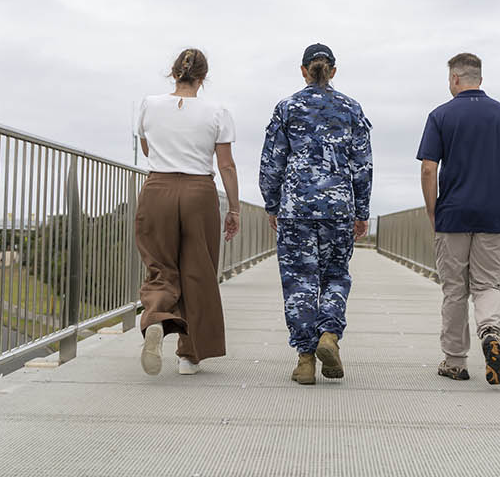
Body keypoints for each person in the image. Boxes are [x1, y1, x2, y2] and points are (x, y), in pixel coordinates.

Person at [259, 43, 372, 385]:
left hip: (296, 211)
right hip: (338, 209)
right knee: (336, 274)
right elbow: (362, 166)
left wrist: (272, 204)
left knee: (299, 282)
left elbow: (271, 162)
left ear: (303, 70)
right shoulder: (351, 109)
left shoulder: (287, 107)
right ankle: (329, 335)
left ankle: (305, 359)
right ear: (332, 71)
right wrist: (362, 210)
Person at [416, 52, 500, 385]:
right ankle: (491, 332)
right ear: (479, 78)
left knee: (454, 291)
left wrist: (433, 209)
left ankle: (455, 361)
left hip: (453, 214)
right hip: (493, 213)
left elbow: (428, 168)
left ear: (454, 79)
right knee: (487, 285)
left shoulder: (440, 115)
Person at [134, 48, 239, 376]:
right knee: (198, 272)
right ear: (203, 77)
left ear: (173, 72)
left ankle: (155, 319)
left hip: (157, 189)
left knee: (160, 266)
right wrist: (234, 208)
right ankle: (188, 357)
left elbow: (147, 147)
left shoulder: (149, 105)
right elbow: (226, 165)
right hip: (198, 193)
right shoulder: (217, 112)